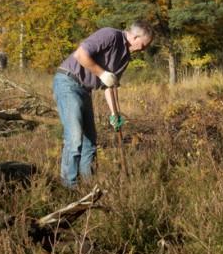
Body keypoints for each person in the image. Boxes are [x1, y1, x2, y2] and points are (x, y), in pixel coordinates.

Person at [53, 21, 154, 188]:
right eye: (144, 44)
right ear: (135, 36)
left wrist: (115, 114)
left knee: (89, 142)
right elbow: (80, 55)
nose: (144, 49)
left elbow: (110, 85)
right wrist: (102, 73)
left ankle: (89, 186)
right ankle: (68, 187)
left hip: (85, 90)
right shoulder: (110, 35)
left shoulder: (125, 57)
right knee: (74, 137)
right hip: (68, 83)